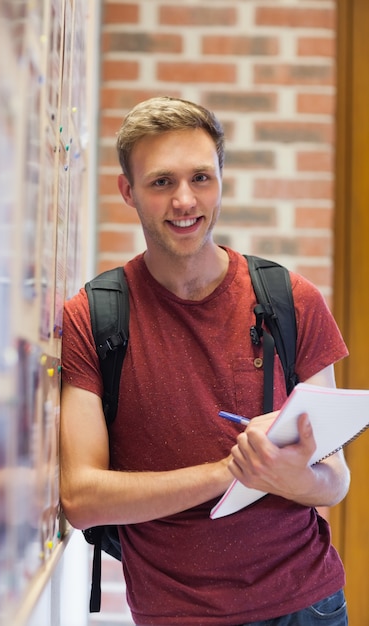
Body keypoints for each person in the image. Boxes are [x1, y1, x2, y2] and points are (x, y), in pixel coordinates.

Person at [60, 96, 350, 625]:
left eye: (201, 177)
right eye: (161, 182)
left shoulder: (290, 299)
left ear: (221, 180)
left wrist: (289, 475)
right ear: (129, 191)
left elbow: (334, 482)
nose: (185, 200)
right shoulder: (92, 317)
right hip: (177, 615)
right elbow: (82, 496)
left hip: (308, 606)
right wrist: (229, 472)